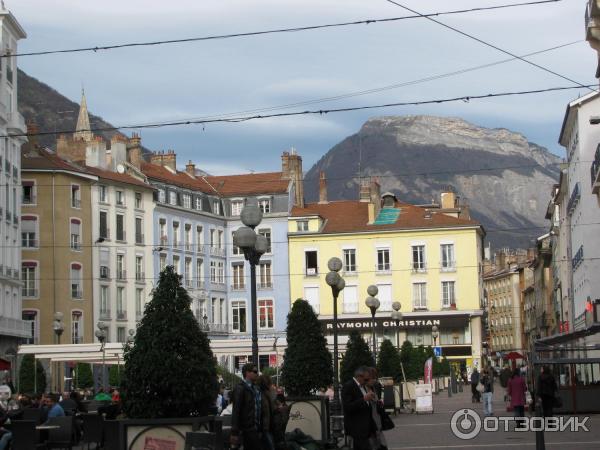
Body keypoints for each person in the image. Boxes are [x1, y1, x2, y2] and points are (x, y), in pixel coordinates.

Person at [342, 366, 376, 450]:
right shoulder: (349, 386)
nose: (367, 381)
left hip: (366, 428)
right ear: (359, 377)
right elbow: (347, 407)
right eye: (366, 379)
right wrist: (364, 399)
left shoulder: (363, 386)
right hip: (356, 428)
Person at [231, 363, 262, 450]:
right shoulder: (240, 388)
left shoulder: (254, 388)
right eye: (255, 371)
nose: (257, 374)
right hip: (247, 430)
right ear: (247, 373)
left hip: (254, 429)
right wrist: (234, 433)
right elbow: (236, 411)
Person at [366, 368, 388, 450]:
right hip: (371, 424)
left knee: (380, 444)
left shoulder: (374, 387)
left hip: (376, 422)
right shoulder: (364, 390)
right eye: (373, 378)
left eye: (375, 378)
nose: (374, 380)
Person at [257, 374, 275, 450]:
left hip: (265, 428)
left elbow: (266, 413)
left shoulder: (262, 395)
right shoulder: (267, 395)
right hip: (267, 428)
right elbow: (266, 413)